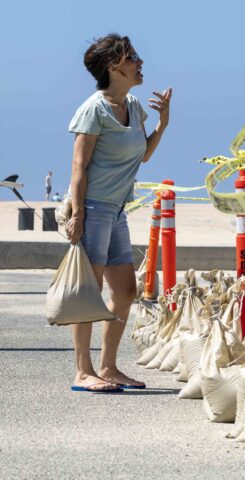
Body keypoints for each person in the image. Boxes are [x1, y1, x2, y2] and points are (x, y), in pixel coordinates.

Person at [65, 34, 172, 392]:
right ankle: (83, 371)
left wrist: (163, 124)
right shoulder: (93, 109)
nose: (140, 63)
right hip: (92, 208)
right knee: (88, 293)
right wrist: (76, 214)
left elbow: (143, 155)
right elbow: (79, 166)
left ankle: (109, 367)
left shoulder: (135, 105)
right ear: (114, 66)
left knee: (125, 290)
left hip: (116, 210)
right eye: (133, 58)